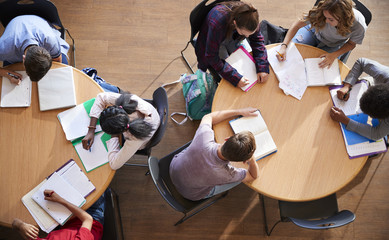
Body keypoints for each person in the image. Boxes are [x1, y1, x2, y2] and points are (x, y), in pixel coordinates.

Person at [169, 107, 260, 201]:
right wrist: (252, 160)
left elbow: (208, 117)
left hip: (173, 168)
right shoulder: (228, 174)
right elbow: (253, 176)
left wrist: (238, 111)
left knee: (196, 144)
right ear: (243, 161)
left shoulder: (204, 137)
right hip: (190, 193)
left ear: (227, 139)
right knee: (239, 180)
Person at [195, 1, 269, 88]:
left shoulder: (250, 17)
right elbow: (211, 56)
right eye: (244, 34)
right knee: (226, 76)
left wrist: (262, 66)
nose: (248, 37)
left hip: (230, 36)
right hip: (212, 43)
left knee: (240, 61)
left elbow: (257, 39)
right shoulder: (217, 24)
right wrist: (235, 78)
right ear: (235, 23)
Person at [276, 0, 367, 68]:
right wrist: (284, 46)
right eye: (325, 17)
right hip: (312, 32)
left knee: (320, 69)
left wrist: (334, 55)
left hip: (333, 45)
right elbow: (297, 24)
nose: (326, 21)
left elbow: (351, 44)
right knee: (291, 54)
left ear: (343, 18)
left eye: (331, 19)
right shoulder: (323, 11)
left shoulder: (359, 25)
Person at [82, 92, 160, 170]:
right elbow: (101, 97)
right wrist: (91, 130)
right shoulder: (126, 104)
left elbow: (114, 165)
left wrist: (114, 136)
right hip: (152, 115)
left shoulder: (134, 138)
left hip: (145, 136)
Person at [330, 58, 389, 141]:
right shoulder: (385, 75)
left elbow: (376, 134)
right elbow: (361, 62)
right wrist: (347, 85)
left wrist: (346, 121)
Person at [0, 15, 70, 82]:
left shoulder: (51, 41)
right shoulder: (4, 48)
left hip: (38, 24)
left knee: (62, 71)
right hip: (15, 30)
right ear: (23, 59)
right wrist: (7, 74)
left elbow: (57, 60)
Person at [12, 189, 104, 240]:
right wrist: (60, 200)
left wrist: (21, 225)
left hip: (66, 222)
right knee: (98, 187)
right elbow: (88, 219)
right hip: (92, 220)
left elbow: (14, 222)